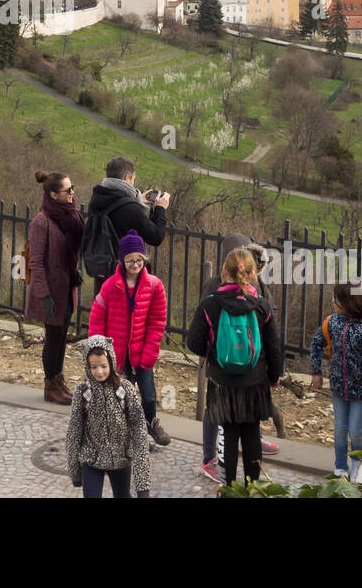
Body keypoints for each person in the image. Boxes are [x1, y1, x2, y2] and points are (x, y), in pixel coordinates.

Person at [186, 247, 282, 486]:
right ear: (252, 275)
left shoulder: (210, 304)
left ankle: (229, 486)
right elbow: (274, 346)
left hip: (222, 382)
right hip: (255, 380)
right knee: (251, 434)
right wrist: (273, 376)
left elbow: (194, 342)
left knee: (229, 435)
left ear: (223, 272)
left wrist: (214, 354)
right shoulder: (262, 306)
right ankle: (252, 488)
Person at [89, 232, 170, 447]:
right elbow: (97, 315)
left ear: (145, 259)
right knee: (120, 397)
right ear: (122, 261)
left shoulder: (154, 286)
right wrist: (98, 346)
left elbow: (157, 322)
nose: (135, 264)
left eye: (139, 260)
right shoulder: (110, 286)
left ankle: (151, 422)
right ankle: (122, 433)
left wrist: (150, 351)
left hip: (142, 353)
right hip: (116, 355)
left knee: (149, 395)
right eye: (130, 260)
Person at [64, 335, 152, 498]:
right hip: (92, 460)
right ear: (87, 366)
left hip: (121, 460)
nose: (99, 372)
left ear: (111, 362)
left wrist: (142, 486)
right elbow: (74, 431)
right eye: (94, 367)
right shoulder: (83, 392)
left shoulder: (125, 389)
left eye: (104, 366)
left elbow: (139, 431)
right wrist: (75, 471)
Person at [25, 171, 85, 405]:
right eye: (67, 191)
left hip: (67, 287)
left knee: (62, 337)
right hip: (50, 291)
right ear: (53, 194)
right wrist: (44, 296)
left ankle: (58, 381)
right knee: (53, 338)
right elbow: (36, 262)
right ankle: (50, 385)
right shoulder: (41, 222)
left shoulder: (70, 215)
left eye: (72, 188)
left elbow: (71, 250)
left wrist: (74, 270)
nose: (72, 194)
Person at [310, 284, 362, 482]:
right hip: (339, 388)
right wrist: (316, 371)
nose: (333, 302)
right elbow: (316, 343)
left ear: (351, 303)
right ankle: (340, 466)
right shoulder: (332, 323)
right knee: (340, 428)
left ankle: (358, 464)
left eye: (338, 299)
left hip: (361, 392)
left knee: (356, 430)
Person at [85, 156, 169, 292]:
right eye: (133, 178)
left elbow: (116, 208)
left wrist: (138, 199)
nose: (134, 182)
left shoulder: (98, 199)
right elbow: (156, 237)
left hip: (103, 270)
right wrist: (160, 209)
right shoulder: (131, 209)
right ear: (126, 179)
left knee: (103, 309)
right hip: (124, 277)